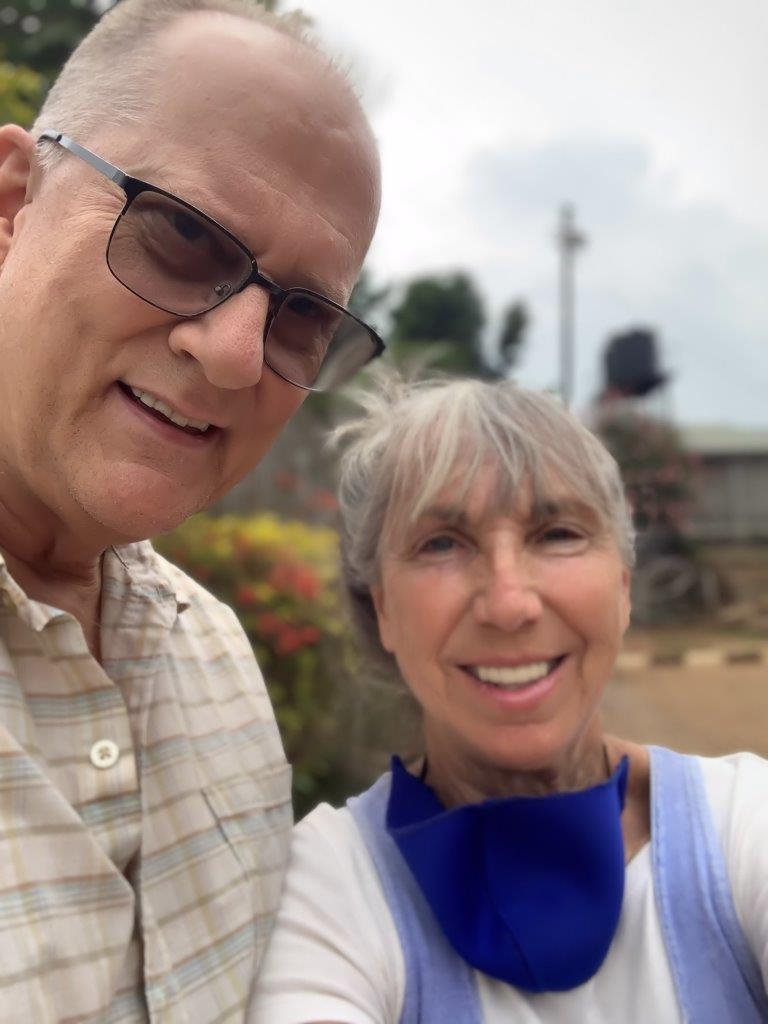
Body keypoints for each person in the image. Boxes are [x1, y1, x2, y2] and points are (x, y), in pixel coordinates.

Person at [0, 0, 382, 1019]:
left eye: (304, 316)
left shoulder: (213, 655)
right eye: (179, 235)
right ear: (12, 203)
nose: (236, 354)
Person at [253, 375, 768, 1023]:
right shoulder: (331, 885)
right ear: (381, 607)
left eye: (557, 534)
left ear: (623, 586)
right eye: (442, 543)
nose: (508, 603)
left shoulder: (743, 825)